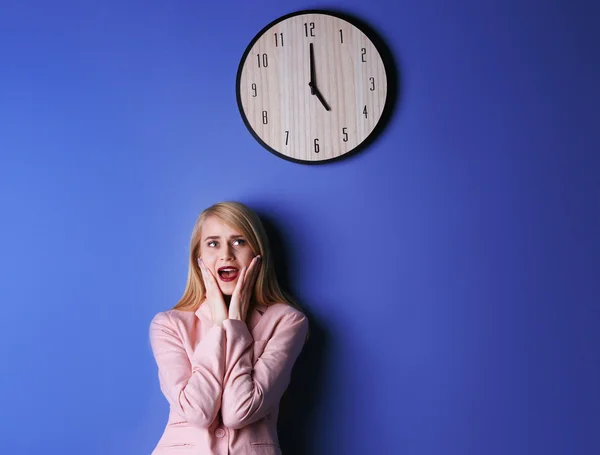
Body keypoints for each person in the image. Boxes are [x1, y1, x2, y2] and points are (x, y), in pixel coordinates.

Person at [149, 201, 309, 455]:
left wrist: (233, 325)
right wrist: (217, 326)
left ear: (257, 253)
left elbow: (239, 411)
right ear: (198, 257)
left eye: (239, 242)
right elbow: (197, 411)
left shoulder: (288, 321)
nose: (226, 254)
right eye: (213, 243)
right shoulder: (168, 324)